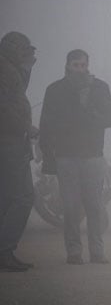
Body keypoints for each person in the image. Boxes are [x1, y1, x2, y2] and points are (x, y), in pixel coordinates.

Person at [39, 49, 111, 265]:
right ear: (68, 65)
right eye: (76, 65)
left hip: (93, 155)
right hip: (66, 156)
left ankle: (97, 252)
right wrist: (48, 159)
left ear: (88, 65)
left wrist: (96, 117)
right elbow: (46, 125)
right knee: (70, 207)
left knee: (94, 205)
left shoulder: (99, 88)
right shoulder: (55, 90)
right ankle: (74, 252)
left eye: (83, 65)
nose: (80, 69)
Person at [0, 32, 38, 272]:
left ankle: (4, 251)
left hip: (12, 140)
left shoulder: (9, 68)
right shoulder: (5, 69)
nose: (29, 54)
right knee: (23, 196)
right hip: (9, 141)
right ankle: (5, 250)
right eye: (25, 49)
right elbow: (5, 106)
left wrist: (26, 69)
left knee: (6, 197)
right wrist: (26, 127)